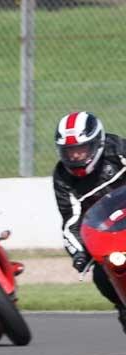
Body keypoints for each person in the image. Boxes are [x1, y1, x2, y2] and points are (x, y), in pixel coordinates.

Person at [52, 111, 126, 333]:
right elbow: (70, 221)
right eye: (69, 151)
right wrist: (79, 254)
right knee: (101, 275)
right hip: (110, 233)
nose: (75, 156)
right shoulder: (62, 178)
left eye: (80, 149)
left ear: (98, 143)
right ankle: (123, 306)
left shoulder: (119, 150)